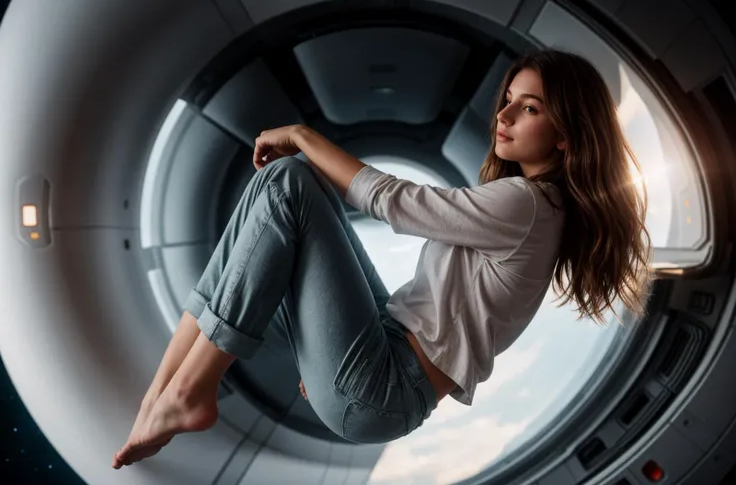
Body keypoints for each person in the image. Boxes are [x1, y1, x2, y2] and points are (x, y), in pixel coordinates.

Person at [112, 48, 655, 468]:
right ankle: (162, 396)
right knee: (290, 182)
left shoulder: (530, 205)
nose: (505, 114)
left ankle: (184, 392)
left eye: (530, 107)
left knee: (288, 182)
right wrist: (333, 341)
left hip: (382, 387)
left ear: (566, 137)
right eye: (508, 98)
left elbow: (394, 201)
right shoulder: (534, 206)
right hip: (381, 361)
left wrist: (303, 133)